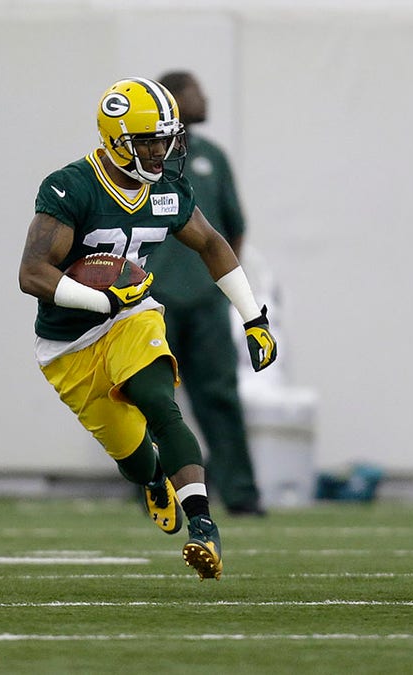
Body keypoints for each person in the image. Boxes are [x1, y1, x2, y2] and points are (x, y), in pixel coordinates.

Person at [18, 77, 279, 580]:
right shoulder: (71, 186)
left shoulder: (167, 190)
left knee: (159, 400)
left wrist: (253, 317)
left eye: (167, 138)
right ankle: (153, 478)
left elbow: (212, 244)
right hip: (67, 343)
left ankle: (203, 527)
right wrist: (101, 297)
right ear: (117, 139)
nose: (163, 151)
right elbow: (32, 274)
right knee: (135, 458)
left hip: (132, 316)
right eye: (151, 141)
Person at [142, 70, 264, 516]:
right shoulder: (141, 160)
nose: (204, 97)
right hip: (153, 301)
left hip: (206, 302)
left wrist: (227, 288)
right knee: (153, 400)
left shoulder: (213, 156)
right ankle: (158, 492)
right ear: (171, 100)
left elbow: (233, 230)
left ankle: (241, 493)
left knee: (220, 397)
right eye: (195, 90)